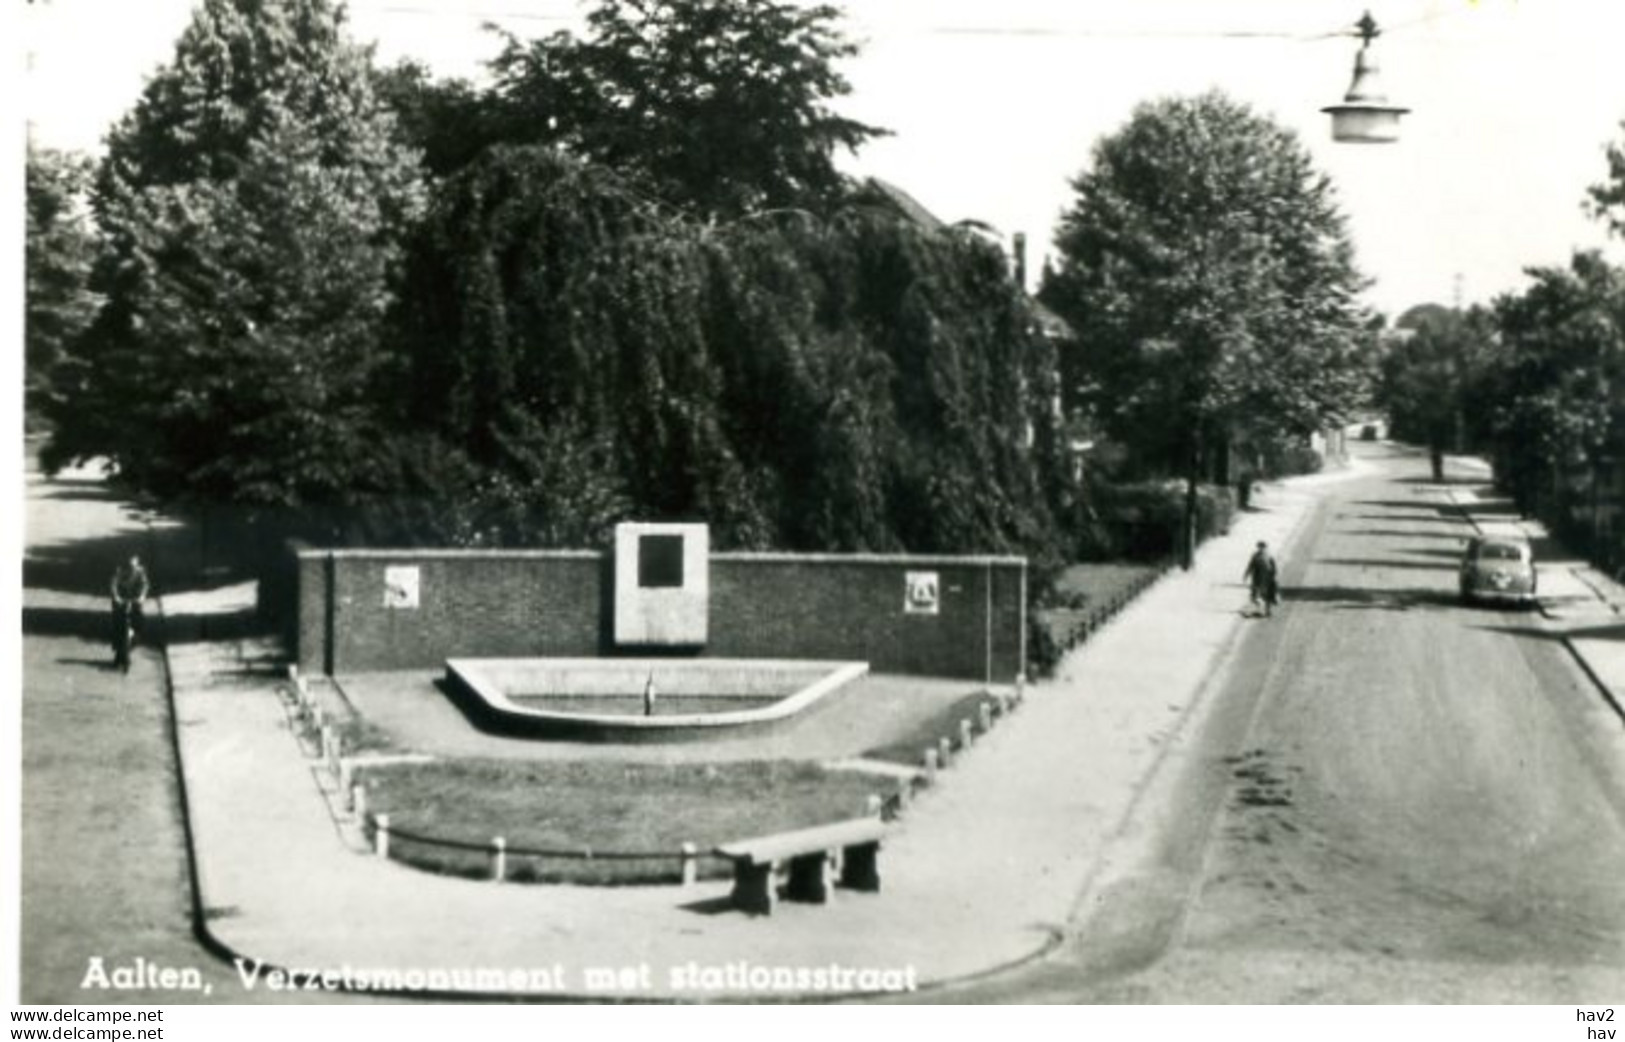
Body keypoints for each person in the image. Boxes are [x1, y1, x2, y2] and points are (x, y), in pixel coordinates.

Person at [110, 553, 150, 664]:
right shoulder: (120, 571)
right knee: (117, 624)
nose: (131, 567)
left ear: (137, 562)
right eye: (129, 564)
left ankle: (134, 639)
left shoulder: (141, 572)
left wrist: (142, 596)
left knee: (140, 622)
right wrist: (116, 597)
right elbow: (113, 584)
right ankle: (118, 650)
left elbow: (145, 585)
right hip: (121, 600)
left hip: (135, 600)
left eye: (133, 564)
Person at [1243, 541, 1279, 618]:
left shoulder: (1269, 556)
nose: (1261, 549)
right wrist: (1246, 575)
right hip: (1257, 578)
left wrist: (1274, 577)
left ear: (1265, 548)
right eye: (1260, 547)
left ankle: (1268, 611)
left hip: (1267, 578)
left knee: (1268, 595)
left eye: (1263, 547)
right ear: (1258, 548)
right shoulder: (1255, 556)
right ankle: (1258, 610)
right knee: (1255, 595)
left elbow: (1274, 567)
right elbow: (1250, 566)